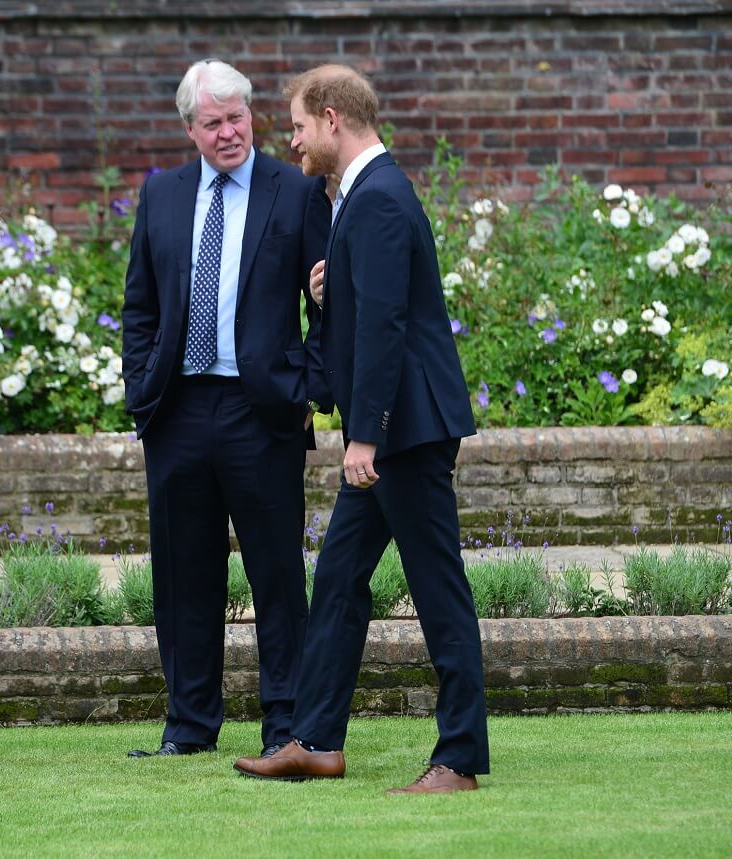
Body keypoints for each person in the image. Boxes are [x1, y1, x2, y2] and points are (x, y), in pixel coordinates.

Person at [233, 64, 489, 793]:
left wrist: (365, 436)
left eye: (299, 126)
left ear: (333, 118)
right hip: (392, 428)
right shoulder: (361, 197)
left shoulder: (376, 198)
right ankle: (314, 739)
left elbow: (386, 328)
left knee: (439, 588)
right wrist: (328, 291)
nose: (293, 140)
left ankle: (459, 758)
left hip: (403, 433)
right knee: (340, 578)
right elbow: (365, 309)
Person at [121, 60, 331, 759]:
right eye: (212, 122)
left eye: (237, 117)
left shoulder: (295, 190)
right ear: (190, 129)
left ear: (252, 116)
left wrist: (306, 385)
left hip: (262, 411)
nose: (228, 131)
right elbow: (140, 307)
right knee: (184, 575)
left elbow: (328, 304)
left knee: (276, 574)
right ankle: (188, 725)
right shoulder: (163, 196)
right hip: (177, 411)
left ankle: (286, 727)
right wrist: (142, 391)